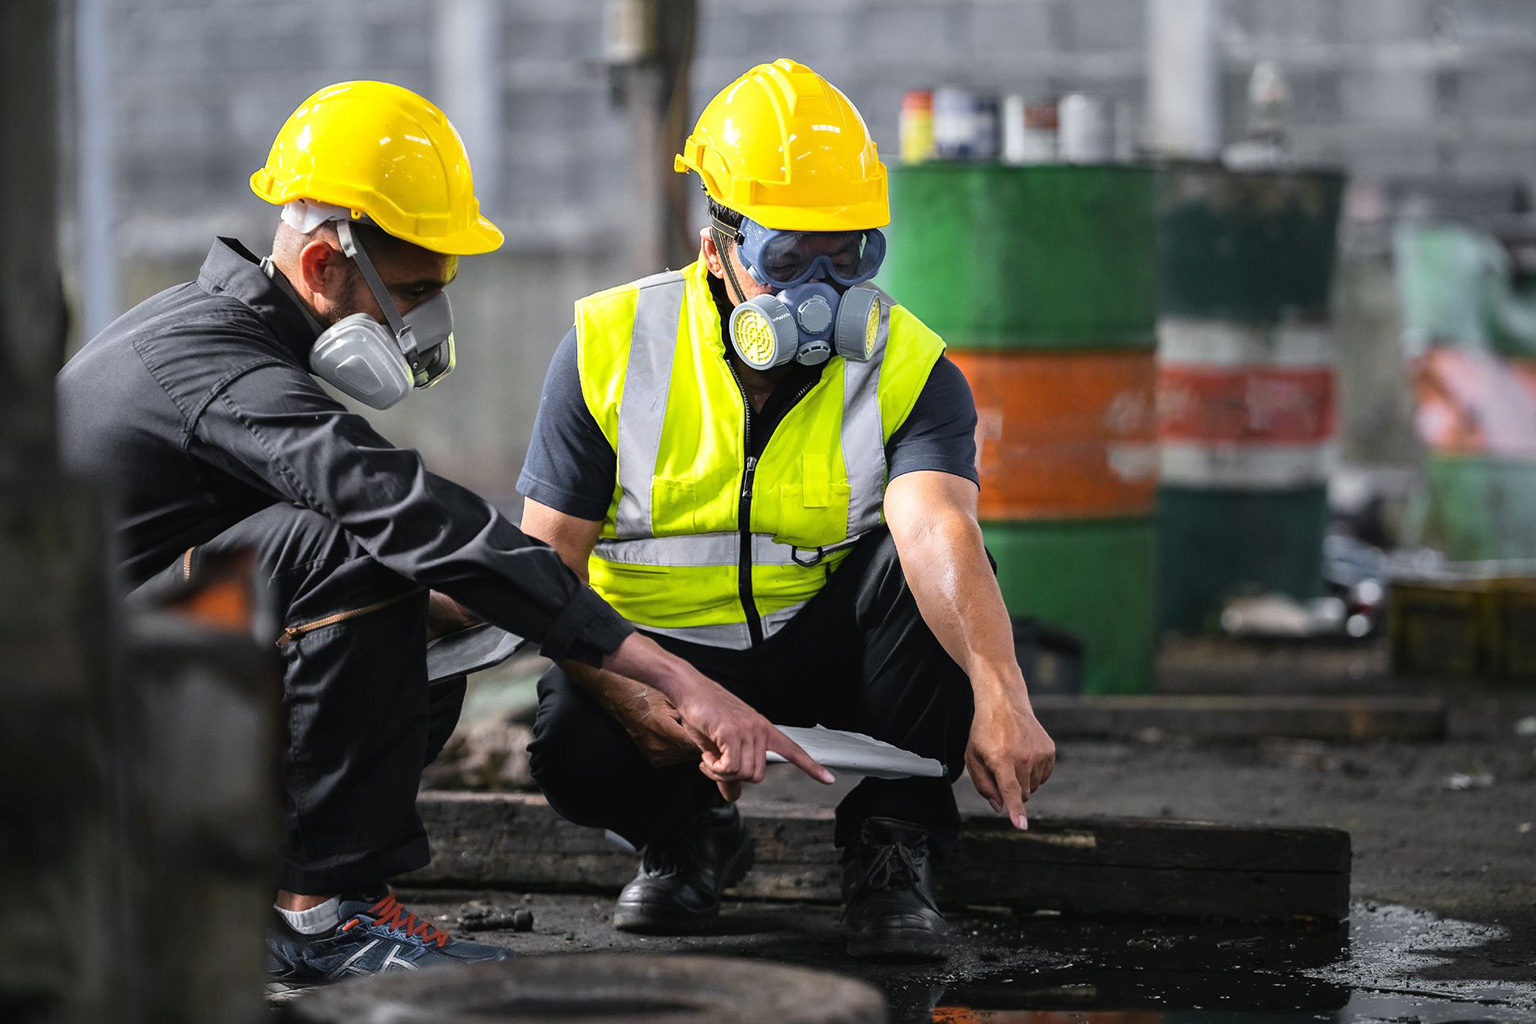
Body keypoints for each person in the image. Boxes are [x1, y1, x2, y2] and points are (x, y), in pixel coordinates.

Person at [56, 80, 829, 989]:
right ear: (320, 266)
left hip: (119, 691)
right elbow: (395, 504)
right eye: (414, 291)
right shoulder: (211, 361)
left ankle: (270, 893)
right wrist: (662, 669)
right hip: (65, 735)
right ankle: (321, 918)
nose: (423, 322)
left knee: (437, 607)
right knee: (363, 549)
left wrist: (496, 603)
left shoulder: (230, 343)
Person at [519, 59, 1056, 963]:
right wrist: (632, 689)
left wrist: (1003, 692)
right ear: (716, 249)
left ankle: (893, 849)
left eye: (848, 257)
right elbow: (543, 571)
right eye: (788, 259)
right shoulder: (610, 347)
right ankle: (686, 838)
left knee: (944, 586)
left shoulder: (908, 365)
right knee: (571, 736)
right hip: (662, 657)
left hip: (821, 648)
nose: (822, 288)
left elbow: (935, 529)